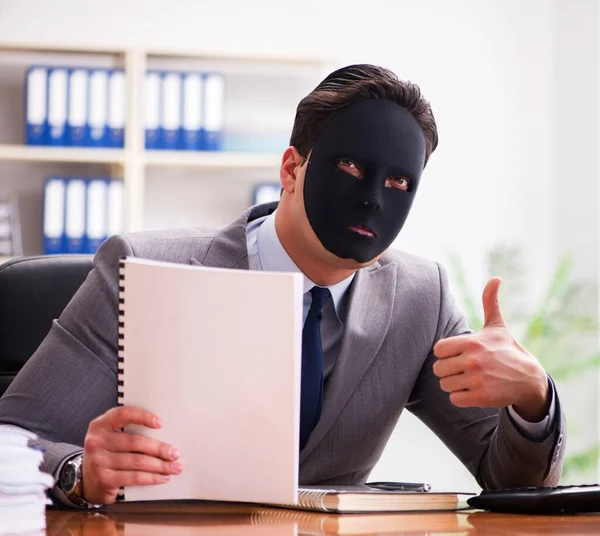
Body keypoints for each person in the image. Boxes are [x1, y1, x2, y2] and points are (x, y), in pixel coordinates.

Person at [0, 64, 565, 507]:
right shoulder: (139, 267)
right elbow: (12, 440)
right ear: (292, 168)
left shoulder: (421, 297)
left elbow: (508, 479)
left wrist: (533, 396)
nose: (373, 199)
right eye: (349, 169)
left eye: (399, 181)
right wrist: (79, 471)